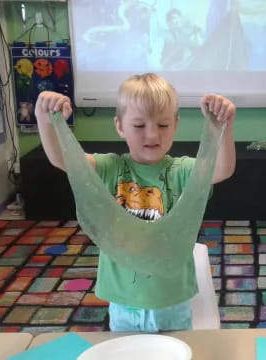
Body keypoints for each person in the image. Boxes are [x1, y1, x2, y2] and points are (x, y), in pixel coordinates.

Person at [34, 73, 236, 332]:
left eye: (162, 125)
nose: (152, 134)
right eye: (139, 126)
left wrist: (224, 126)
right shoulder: (109, 169)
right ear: (120, 126)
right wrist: (45, 119)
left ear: (175, 125)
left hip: (171, 300)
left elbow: (221, 169)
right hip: (123, 302)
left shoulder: (181, 171)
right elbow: (64, 158)